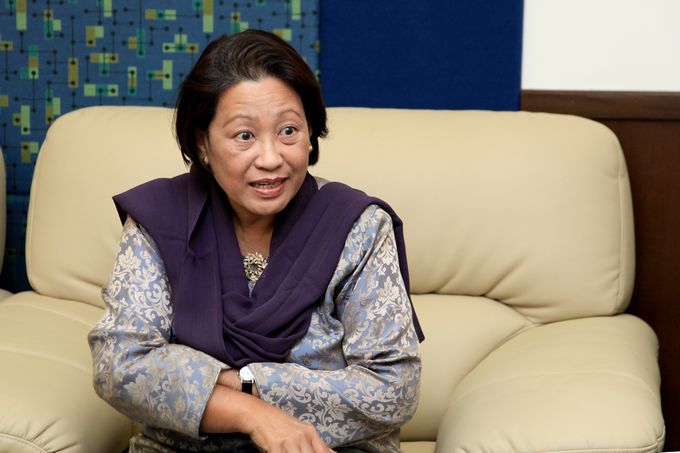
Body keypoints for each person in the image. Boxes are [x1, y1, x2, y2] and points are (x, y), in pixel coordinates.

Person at [88, 29, 424, 453]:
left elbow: (394, 387)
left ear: (311, 135)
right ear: (202, 143)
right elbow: (119, 366)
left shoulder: (358, 227)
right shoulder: (161, 219)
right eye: (244, 136)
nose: (270, 158)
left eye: (288, 131)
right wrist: (252, 414)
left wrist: (243, 382)